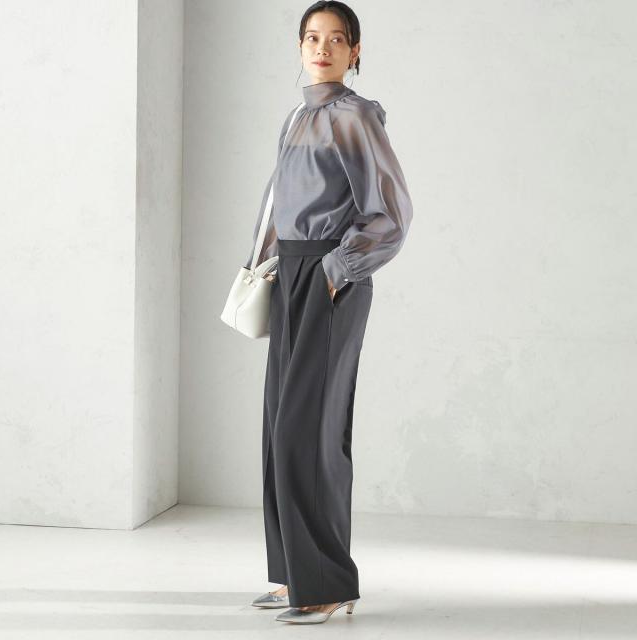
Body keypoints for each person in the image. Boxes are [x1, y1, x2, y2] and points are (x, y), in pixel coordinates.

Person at [246, 0, 413, 624]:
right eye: (312, 37)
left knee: (310, 429)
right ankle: (296, 574)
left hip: (328, 276)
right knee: (279, 425)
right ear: (299, 47)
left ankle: (327, 582)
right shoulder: (297, 117)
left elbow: (391, 212)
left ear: (355, 51)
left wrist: (336, 272)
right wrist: (263, 265)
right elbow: (277, 203)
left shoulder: (354, 116)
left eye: (336, 39)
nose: (322, 48)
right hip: (291, 272)